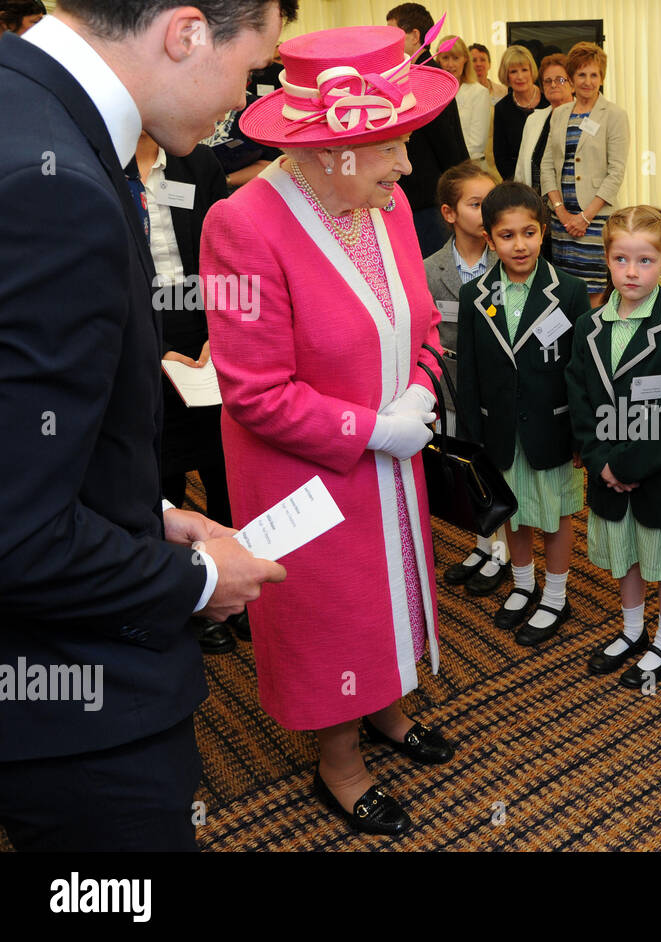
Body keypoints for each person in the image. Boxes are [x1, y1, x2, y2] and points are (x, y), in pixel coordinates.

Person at [0, 0, 293, 852]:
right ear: (188, 31)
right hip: (66, 702)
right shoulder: (52, 190)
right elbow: (16, 534)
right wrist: (199, 581)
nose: (241, 101)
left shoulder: (26, 105)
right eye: (251, 69)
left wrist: (146, 510)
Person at [201, 23, 460, 837]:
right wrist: (372, 430)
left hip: (392, 452)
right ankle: (338, 762)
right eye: (390, 148)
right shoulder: (240, 227)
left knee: (392, 593)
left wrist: (419, 391)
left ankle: (384, 709)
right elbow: (253, 392)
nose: (407, 167)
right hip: (306, 475)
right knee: (332, 610)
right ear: (327, 151)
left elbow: (423, 325)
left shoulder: (379, 203)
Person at [567, 206, 661, 686]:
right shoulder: (588, 327)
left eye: (644, 261)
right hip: (607, 469)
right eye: (621, 259)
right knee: (624, 555)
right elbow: (580, 398)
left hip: (659, 474)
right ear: (606, 259)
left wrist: (628, 467)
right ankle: (631, 630)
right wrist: (601, 462)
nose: (631, 271)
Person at [457, 182, 590, 645]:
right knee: (513, 512)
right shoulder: (475, 294)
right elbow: (469, 372)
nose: (520, 244)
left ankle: (555, 594)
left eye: (529, 232)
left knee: (554, 513)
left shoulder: (569, 291)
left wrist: (581, 436)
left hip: (552, 427)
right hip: (499, 430)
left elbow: (580, 370)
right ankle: (522, 582)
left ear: (544, 231)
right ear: (489, 239)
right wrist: (472, 436)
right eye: (507, 235)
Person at [136, 129, 243, 655]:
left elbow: (229, 255)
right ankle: (188, 596)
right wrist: (146, 353)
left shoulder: (196, 164)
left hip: (204, 337)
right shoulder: (97, 163)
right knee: (160, 481)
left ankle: (235, 587)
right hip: (136, 342)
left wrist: (216, 331)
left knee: (227, 471)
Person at [423, 161, 508, 597]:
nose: (486, 212)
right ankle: (482, 541)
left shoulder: (511, 263)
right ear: (450, 213)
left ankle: (504, 550)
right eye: (476, 204)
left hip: (501, 390)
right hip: (455, 390)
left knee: (502, 466)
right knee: (471, 466)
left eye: (491, 203)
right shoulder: (428, 268)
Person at [540, 41, 629, 302]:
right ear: (571, 77)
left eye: (594, 74)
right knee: (565, 288)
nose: (588, 81)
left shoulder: (614, 115)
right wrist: (561, 211)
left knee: (595, 289)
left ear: (602, 77)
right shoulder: (559, 114)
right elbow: (547, 165)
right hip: (561, 220)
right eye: (581, 74)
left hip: (595, 219)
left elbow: (616, 172)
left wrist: (585, 217)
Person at [387, 2, 471, 254]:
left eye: (394, 34)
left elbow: (447, 143)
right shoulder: (412, 74)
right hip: (424, 196)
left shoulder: (428, 78)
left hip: (430, 199)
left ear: (415, 36)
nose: (388, 42)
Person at [515, 53, 572, 192]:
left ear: (572, 84)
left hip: (571, 202)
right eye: (547, 81)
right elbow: (521, 168)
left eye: (560, 80)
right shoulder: (534, 119)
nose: (553, 85)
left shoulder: (583, 118)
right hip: (535, 202)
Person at [491, 45, 546, 183]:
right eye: (513, 71)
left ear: (531, 71)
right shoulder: (502, 108)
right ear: (506, 75)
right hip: (517, 180)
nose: (520, 77)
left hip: (550, 178)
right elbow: (501, 156)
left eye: (524, 70)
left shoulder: (548, 100)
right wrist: (517, 183)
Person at [437, 35, 491, 171]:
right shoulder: (435, 93)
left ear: (465, 60)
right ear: (438, 61)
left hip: (471, 167)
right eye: (445, 58)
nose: (450, 64)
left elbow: (477, 143)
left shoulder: (479, 92)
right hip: (441, 166)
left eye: (456, 58)